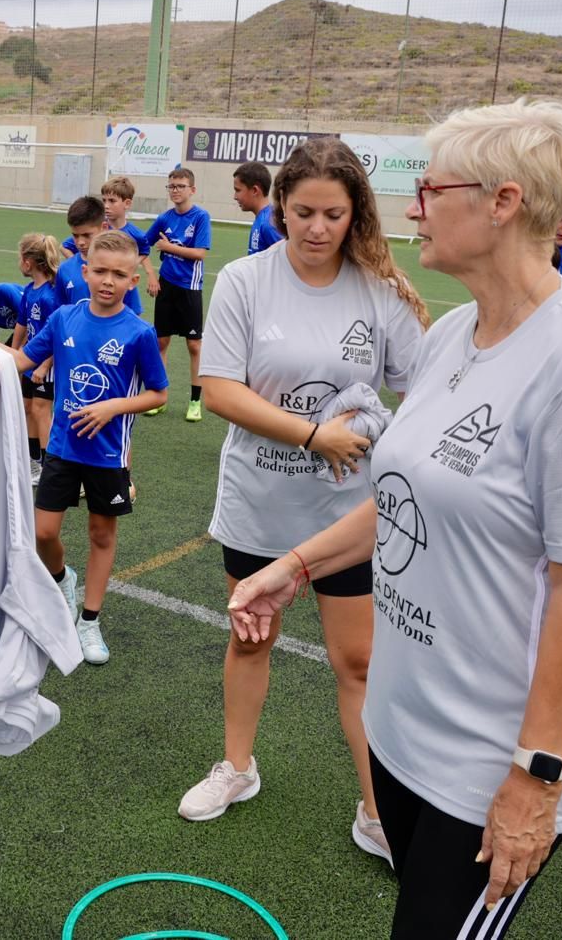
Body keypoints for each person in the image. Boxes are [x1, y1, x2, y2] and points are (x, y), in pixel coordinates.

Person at [229, 99, 562, 939]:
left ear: (503, 202)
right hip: (401, 727)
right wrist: (295, 565)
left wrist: (535, 778)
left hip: (487, 763)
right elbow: (402, 500)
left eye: (430, 187)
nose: (413, 207)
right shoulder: (452, 332)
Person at [177, 139, 428, 873]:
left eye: (334, 215)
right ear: (280, 206)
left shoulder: (381, 291)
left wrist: (379, 432)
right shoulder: (245, 281)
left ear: (357, 216)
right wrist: (317, 434)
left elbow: (424, 392)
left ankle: (377, 812)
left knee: (358, 660)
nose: (317, 228)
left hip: (349, 515)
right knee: (253, 637)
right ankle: (237, 768)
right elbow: (220, 389)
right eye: (303, 212)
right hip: (260, 502)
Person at [0, 229, 168, 665]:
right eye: (100, 271)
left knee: (100, 533)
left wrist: (112, 407)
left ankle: (89, 621)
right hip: (62, 447)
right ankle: (62, 578)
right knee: (43, 533)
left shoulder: (139, 333)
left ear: (134, 280)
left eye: (119, 274)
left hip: (108, 455)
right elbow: (21, 360)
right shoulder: (63, 319)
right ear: (85, 271)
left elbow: (158, 393)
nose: (108, 281)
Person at [143, 167, 212, 421]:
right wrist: (150, 274)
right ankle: (159, 397)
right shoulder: (164, 218)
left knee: (194, 345)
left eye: (180, 186)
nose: (175, 190)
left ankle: (195, 401)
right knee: (161, 342)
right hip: (166, 286)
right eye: (171, 186)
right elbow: (143, 245)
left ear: (192, 189)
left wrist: (168, 247)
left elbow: (200, 253)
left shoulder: (201, 217)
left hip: (190, 288)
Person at [12, 233, 63, 485]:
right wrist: (13, 355)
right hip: (29, 362)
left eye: (20, 257)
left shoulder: (50, 296)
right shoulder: (29, 291)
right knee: (27, 408)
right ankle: (34, 462)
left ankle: (49, 466)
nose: (19, 262)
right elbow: (21, 325)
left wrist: (44, 365)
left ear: (29, 262)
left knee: (42, 412)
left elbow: (57, 335)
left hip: (46, 366)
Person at [100, 175, 157, 314]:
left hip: (126, 290)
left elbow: (145, 250)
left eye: (112, 201)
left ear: (127, 203)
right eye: (104, 201)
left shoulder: (136, 234)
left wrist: (131, 265)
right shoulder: (98, 228)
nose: (106, 206)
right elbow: (68, 246)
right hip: (102, 288)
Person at [233, 160, 281, 256]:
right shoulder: (262, 219)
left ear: (255, 190)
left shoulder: (269, 224)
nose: (235, 196)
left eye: (238, 190)